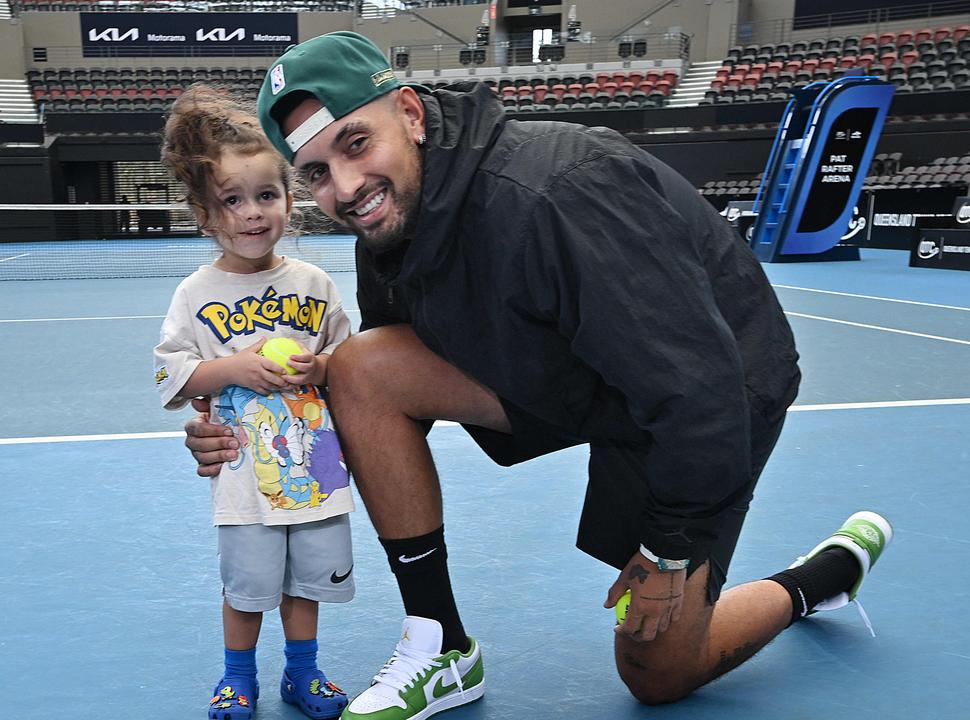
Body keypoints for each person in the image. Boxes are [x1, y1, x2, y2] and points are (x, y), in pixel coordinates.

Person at [183, 32, 893, 720]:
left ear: (408, 112)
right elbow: (383, 391)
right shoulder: (391, 219)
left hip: (712, 382)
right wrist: (246, 430)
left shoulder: (557, 193)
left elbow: (697, 386)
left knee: (659, 674)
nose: (344, 186)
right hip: (568, 363)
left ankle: (822, 576)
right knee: (360, 367)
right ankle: (442, 647)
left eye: (355, 143)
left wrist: (668, 548)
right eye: (315, 172)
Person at [156, 84, 355, 720]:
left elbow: (351, 366)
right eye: (232, 201)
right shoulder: (195, 291)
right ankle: (238, 677)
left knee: (308, 577)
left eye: (266, 195)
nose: (251, 213)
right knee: (248, 586)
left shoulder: (314, 283)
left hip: (315, 464)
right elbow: (173, 375)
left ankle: (304, 672)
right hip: (244, 469)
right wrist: (229, 369)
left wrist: (320, 365)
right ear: (205, 215)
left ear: (289, 200)